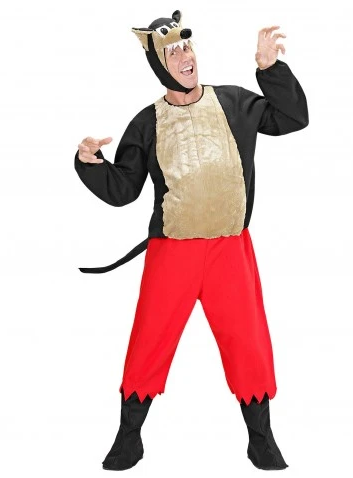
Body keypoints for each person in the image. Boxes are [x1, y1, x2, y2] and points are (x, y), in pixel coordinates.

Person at [74, 9, 308, 471]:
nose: (184, 55)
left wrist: (269, 70)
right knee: (150, 339)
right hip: (171, 252)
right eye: (172, 51)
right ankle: (129, 436)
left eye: (186, 45)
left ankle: (261, 438)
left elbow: (292, 117)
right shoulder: (147, 123)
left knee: (248, 340)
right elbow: (123, 191)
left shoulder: (236, 102)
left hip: (229, 249)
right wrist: (91, 163)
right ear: (159, 65)